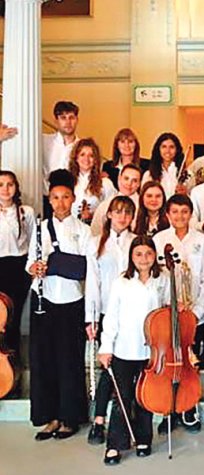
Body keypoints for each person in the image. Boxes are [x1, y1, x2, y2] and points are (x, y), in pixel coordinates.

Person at [27, 169, 91, 440]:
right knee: (44, 359)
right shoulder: (41, 228)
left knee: (69, 359)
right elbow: (30, 262)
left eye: (66, 197)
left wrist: (57, 265)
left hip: (71, 300)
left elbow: (85, 268)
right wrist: (37, 267)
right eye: (55, 198)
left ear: (73, 199)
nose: (61, 202)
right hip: (43, 298)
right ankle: (49, 416)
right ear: (50, 200)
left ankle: (70, 417)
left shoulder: (84, 231)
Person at [98, 236, 168, 465]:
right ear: (131, 257)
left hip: (152, 351)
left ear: (154, 256)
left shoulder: (163, 279)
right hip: (124, 349)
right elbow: (112, 316)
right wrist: (106, 347)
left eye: (148, 254)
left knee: (145, 397)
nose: (144, 259)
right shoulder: (122, 282)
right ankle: (115, 445)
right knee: (122, 398)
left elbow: (168, 312)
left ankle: (143, 438)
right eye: (138, 254)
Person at [152, 194, 204, 434]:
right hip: (168, 312)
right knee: (169, 361)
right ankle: (168, 408)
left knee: (190, 363)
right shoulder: (159, 240)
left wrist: (197, 311)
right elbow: (156, 275)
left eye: (184, 212)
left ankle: (189, 407)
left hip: (193, 312)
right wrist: (167, 305)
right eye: (175, 212)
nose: (179, 216)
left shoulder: (201, 240)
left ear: (191, 214)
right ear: (167, 214)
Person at [84, 196, 137, 445]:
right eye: (118, 212)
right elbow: (93, 283)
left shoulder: (136, 241)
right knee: (108, 366)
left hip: (132, 312)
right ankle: (99, 420)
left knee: (122, 369)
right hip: (106, 311)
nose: (122, 217)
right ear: (109, 214)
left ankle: (118, 419)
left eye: (127, 213)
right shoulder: (96, 243)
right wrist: (90, 318)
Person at [0, 171, 34, 365]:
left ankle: (12, 364)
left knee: (13, 318)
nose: (6, 189)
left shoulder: (25, 212)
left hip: (17, 267)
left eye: (10, 184)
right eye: (1, 184)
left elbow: (31, 242)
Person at [42, 101, 79, 215]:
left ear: (77, 119)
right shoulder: (43, 141)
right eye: (63, 118)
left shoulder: (82, 146)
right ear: (56, 120)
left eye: (71, 117)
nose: (68, 122)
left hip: (71, 201)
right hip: (46, 200)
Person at [69, 138, 116, 225]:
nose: (86, 159)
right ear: (76, 158)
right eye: (82, 154)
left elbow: (113, 209)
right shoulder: (68, 181)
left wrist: (94, 215)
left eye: (91, 155)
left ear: (95, 160)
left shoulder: (105, 183)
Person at [90, 164, 142, 236]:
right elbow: (95, 232)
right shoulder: (105, 205)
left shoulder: (143, 205)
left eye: (134, 181)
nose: (129, 184)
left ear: (139, 184)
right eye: (126, 178)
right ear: (119, 178)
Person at [142, 132, 185, 198]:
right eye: (164, 147)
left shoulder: (186, 174)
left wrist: (185, 193)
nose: (167, 150)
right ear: (158, 149)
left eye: (172, 147)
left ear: (177, 150)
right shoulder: (148, 175)